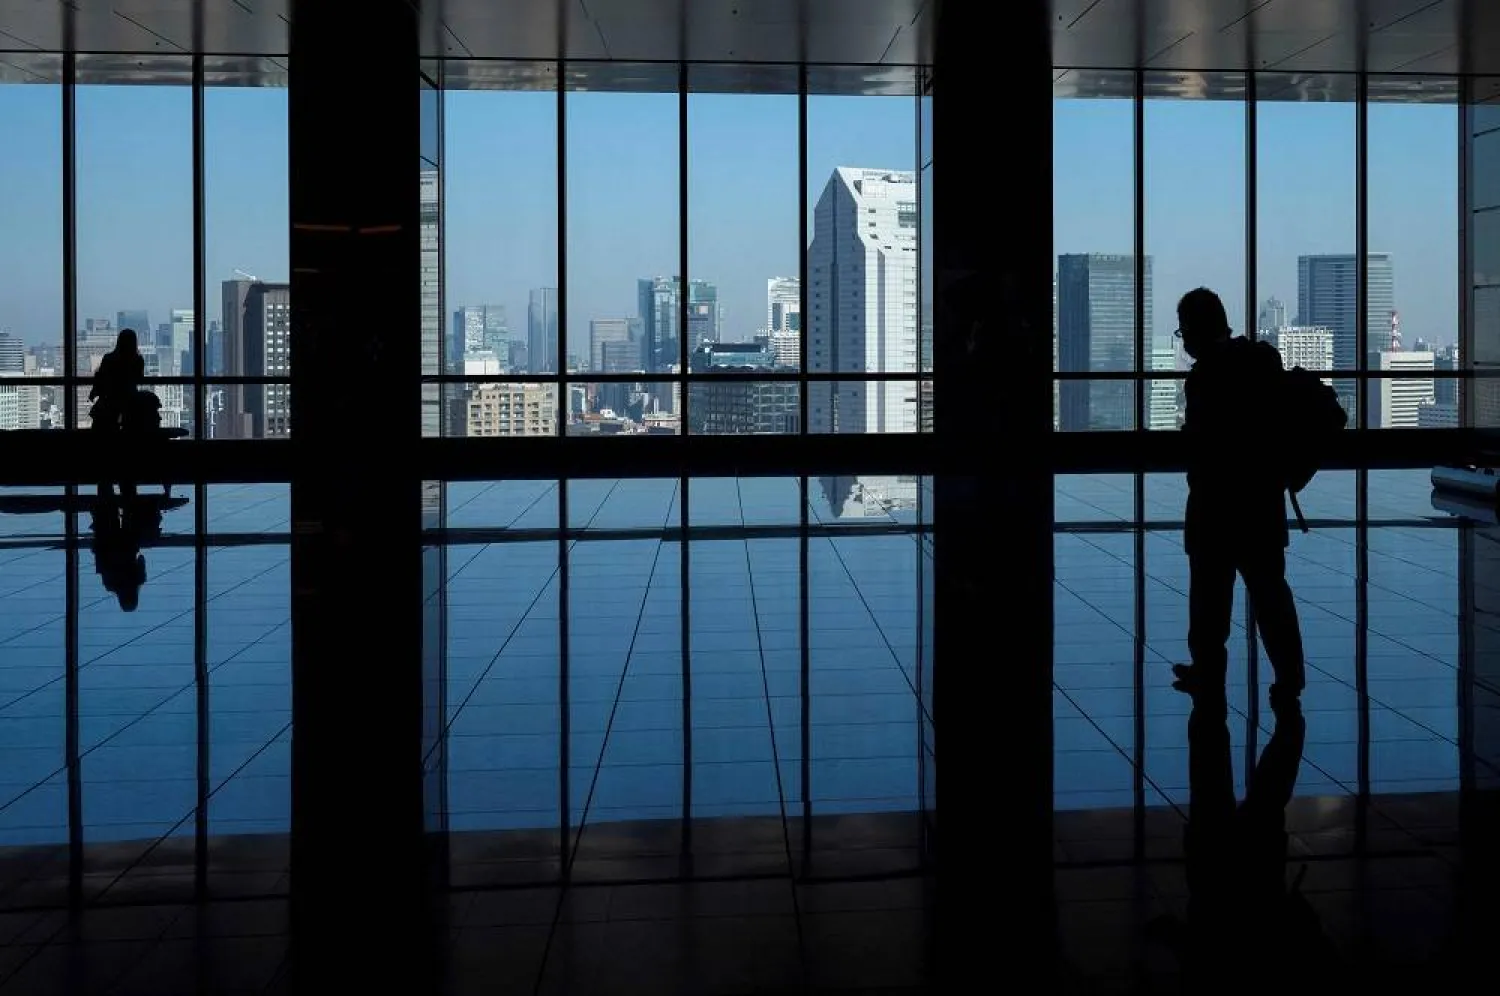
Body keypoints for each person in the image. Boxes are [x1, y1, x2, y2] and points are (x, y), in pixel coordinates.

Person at [1172, 288, 1306, 707]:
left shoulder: (1204, 377)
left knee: (1210, 601)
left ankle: (1208, 673)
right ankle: (1291, 675)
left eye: (1183, 331)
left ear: (1194, 329)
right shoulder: (1262, 360)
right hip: (1262, 502)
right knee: (1270, 594)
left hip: (1215, 506)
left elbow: (1201, 444)